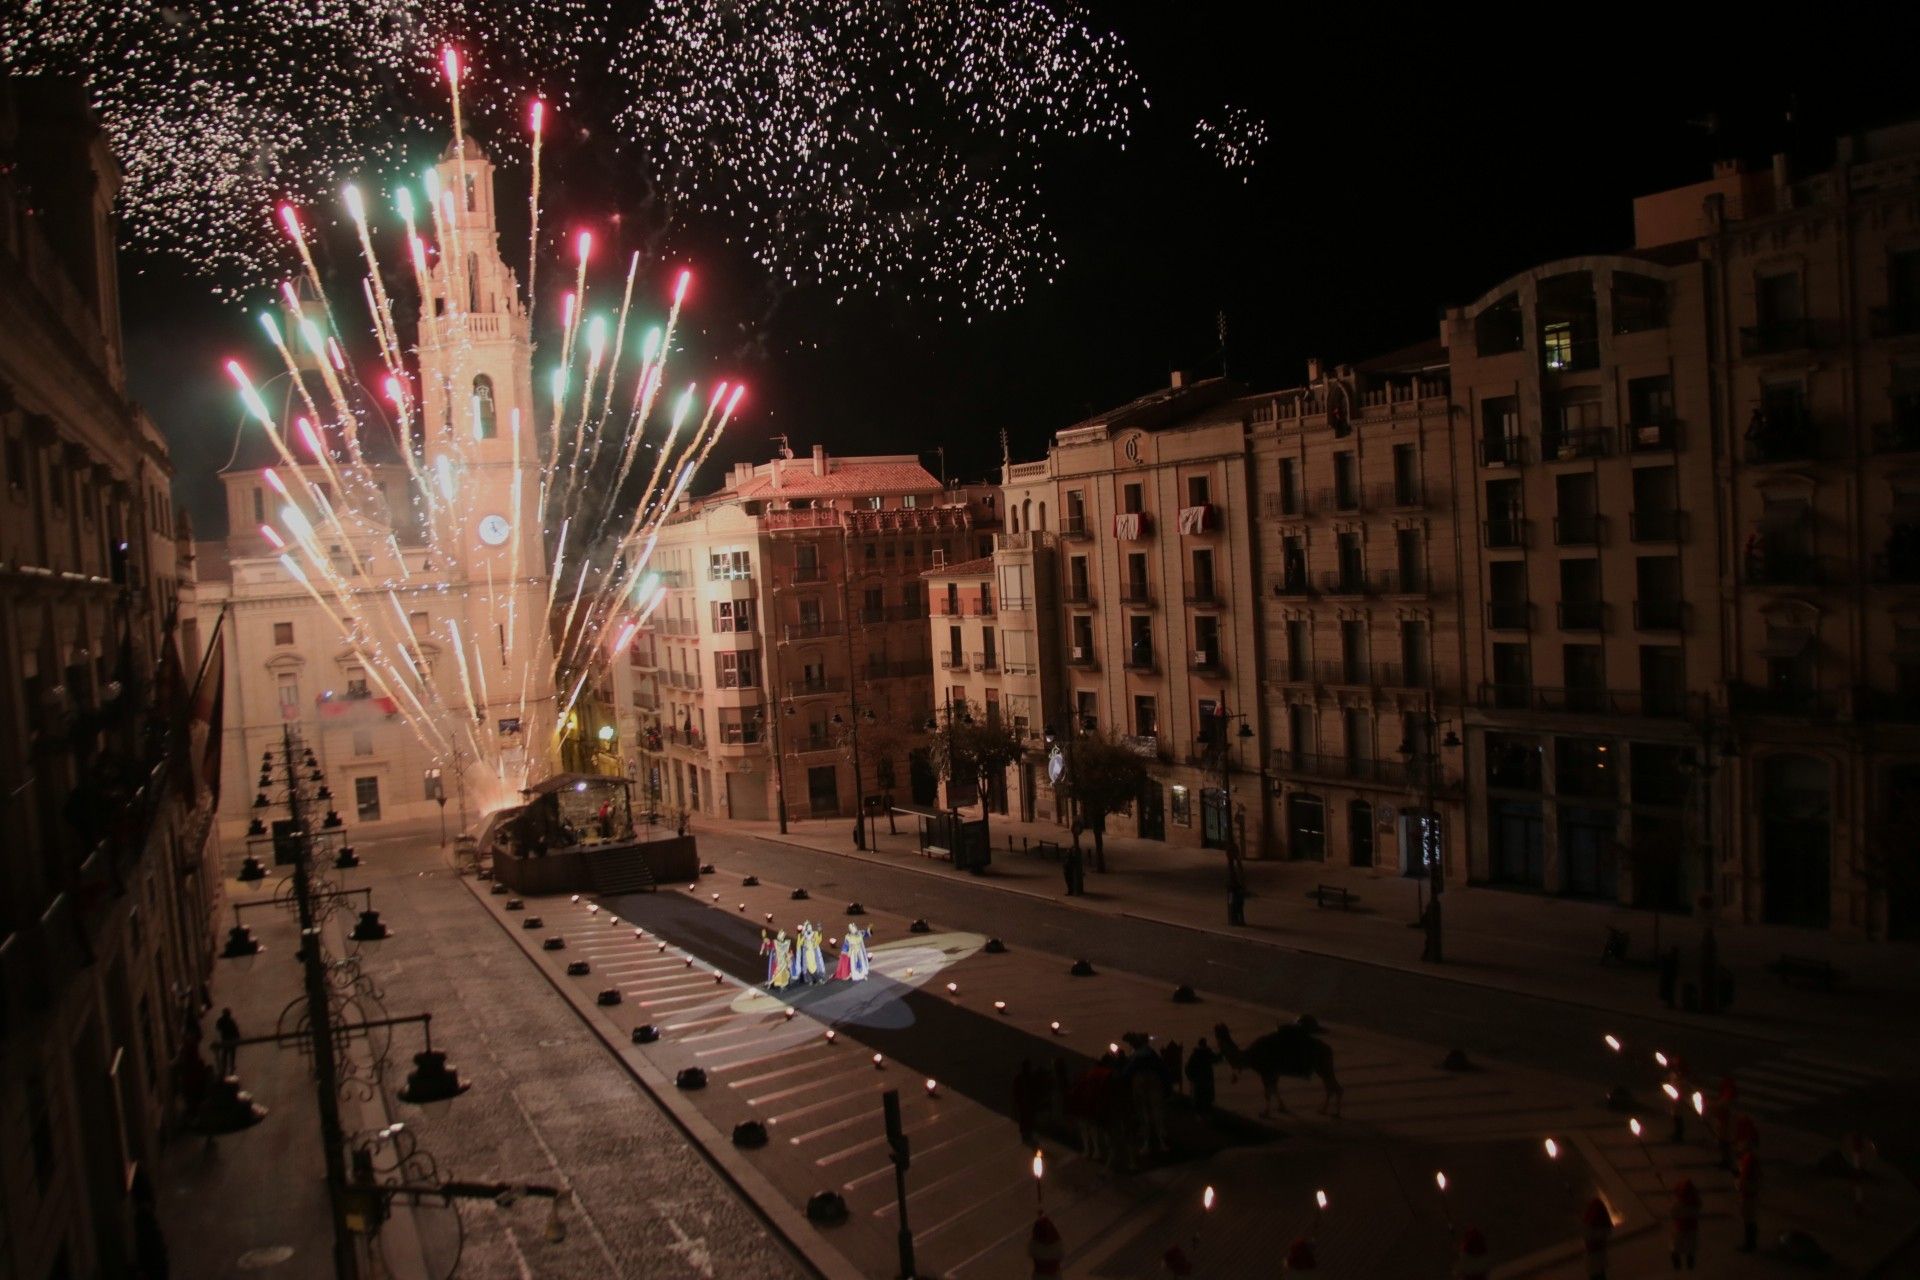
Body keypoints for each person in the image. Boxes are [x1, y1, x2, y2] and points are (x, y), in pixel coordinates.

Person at [1668, 1177, 1700, 1271]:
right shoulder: (1696, 1203)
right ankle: (1690, 1265)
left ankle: (1677, 1265)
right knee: (1691, 1247)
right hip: (1692, 1228)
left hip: (1680, 1229)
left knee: (1675, 1247)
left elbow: (1673, 1214)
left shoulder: (1677, 1205)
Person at [1185, 1037, 1218, 1116]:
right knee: (1207, 1098)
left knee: (1199, 1098)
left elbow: (1188, 1067)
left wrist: (1190, 1077)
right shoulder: (1208, 1053)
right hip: (1206, 1079)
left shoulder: (1195, 1054)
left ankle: (1200, 1114)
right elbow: (1216, 1059)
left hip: (1198, 1080)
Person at [1582, 1196, 1613, 1279]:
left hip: (1595, 1253)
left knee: (1596, 1274)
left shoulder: (1594, 1210)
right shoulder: (1596, 1208)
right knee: (1598, 1274)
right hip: (1596, 1253)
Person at [1737, 1151, 1761, 1253]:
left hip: (1748, 1197)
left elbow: (1741, 1186)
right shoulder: (1754, 1171)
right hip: (1751, 1197)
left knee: (1748, 1220)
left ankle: (1749, 1244)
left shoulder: (1748, 1172)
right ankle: (1751, 1242)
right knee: (1750, 1219)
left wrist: (1737, 1182)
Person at [1013, 1059, 1040, 1145]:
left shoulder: (1020, 1077)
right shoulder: (1029, 1077)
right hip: (1027, 1102)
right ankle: (1027, 1135)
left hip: (1025, 1102)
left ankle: (1026, 1135)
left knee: (1025, 1119)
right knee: (1027, 1119)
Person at [214, 1007, 241, 1077]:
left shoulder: (222, 1021)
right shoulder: (230, 1021)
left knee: (226, 1056)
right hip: (229, 1041)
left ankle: (225, 1070)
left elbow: (217, 1028)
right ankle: (229, 1070)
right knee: (230, 1056)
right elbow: (236, 1031)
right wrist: (237, 1038)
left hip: (226, 1040)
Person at [1226, 856, 1247, 927]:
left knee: (1237, 905)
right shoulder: (1234, 867)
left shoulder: (1234, 867)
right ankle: (1236, 920)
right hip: (1234, 888)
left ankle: (1236, 920)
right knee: (1237, 905)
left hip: (1235, 888)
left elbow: (1239, 876)